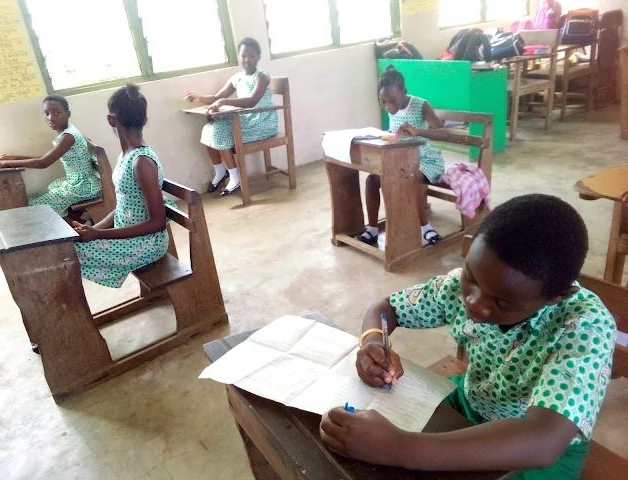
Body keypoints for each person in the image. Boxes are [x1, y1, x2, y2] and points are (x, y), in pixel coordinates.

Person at [320, 194, 616, 479]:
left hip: (532, 449)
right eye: (470, 278)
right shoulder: (466, 287)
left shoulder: (585, 327)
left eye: (503, 303)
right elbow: (385, 308)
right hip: (471, 401)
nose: (474, 302)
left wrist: (399, 448)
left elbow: (543, 441)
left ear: (556, 296)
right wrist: (373, 343)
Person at [71, 84, 170, 290]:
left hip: (146, 244)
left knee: (67, 255)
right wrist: (93, 229)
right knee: (70, 245)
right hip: (130, 238)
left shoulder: (141, 161)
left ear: (111, 120)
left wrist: (99, 234)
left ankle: (72, 310)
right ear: (144, 120)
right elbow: (124, 207)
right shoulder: (127, 156)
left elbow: (158, 222)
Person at [356, 65, 449, 246]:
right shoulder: (391, 104)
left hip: (425, 159)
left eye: (393, 101)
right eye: (383, 101)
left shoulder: (420, 105)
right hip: (399, 159)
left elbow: (445, 134)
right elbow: (395, 133)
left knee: (408, 179)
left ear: (404, 92)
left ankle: (425, 228)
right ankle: (372, 230)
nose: (389, 106)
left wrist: (418, 131)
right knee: (372, 180)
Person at [184, 37, 278, 196]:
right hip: (245, 119)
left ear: (258, 57)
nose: (247, 59)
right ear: (239, 57)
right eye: (243, 56)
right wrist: (199, 98)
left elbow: (252, 101)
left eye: (251, 56)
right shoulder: (237, 78)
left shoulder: (262, 76)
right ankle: (221, 171)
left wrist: (223, 101)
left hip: (262, 121)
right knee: (208, 129)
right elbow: (217, 97)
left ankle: (235, 177)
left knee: (219, 130)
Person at [0, 95, 102, 220]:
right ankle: (81, 220)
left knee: (36, 206)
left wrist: (3, 164)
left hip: (84, 186)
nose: (50, 118)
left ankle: (75, 226)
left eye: (56, 113)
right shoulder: (67, 132)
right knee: (35, 197)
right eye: (46, 113)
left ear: (68, 114)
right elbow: (46, 158)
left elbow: (43, 163)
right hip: (78, 182)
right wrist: (14, 158)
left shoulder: (68, 137)